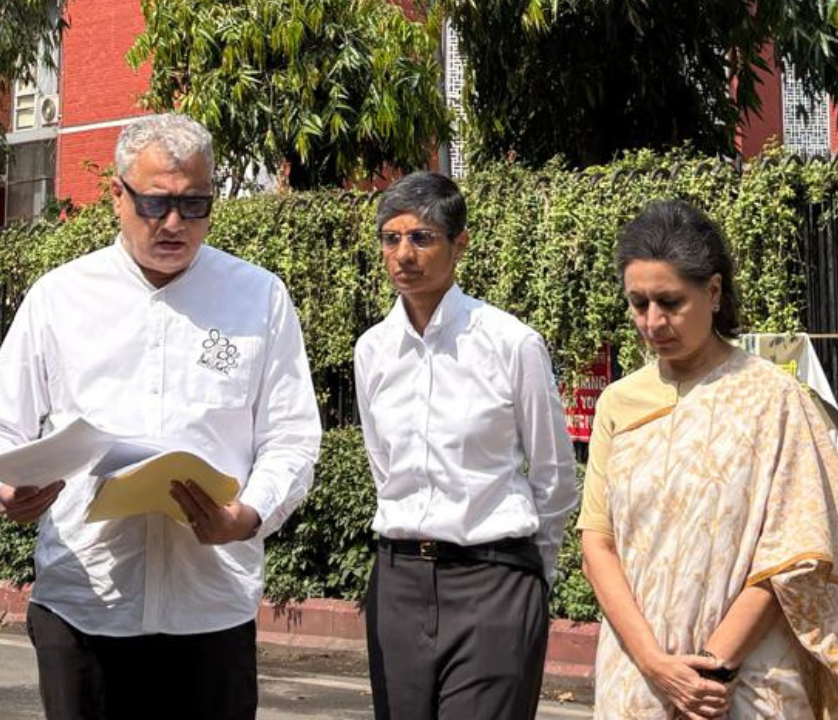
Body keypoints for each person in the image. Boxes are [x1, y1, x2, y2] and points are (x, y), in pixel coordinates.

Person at [0, 113, 322, 720]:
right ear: (117, 196)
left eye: (194, 205)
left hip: (210, 608)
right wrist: (8, 488)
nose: (174, 223)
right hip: (85, 605)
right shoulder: (61, 298)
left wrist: (249, 515)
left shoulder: (258, 297)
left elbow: (290, 436)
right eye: (155, 203)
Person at [579, 199, 838, 719]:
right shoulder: (618, 404)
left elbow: (795, 552)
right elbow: (597, 543)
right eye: (638, 303)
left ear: (714, 292)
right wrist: (656, 665)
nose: (653, 322)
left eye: (670, 302)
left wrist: (712, 668)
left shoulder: (774, 398)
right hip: (638, 677)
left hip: (746, 681)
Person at [354, 172, 578, 719]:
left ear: (460, 245)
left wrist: (531, 577)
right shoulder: (372, 351)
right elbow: (385, 468)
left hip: (494, 582)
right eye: (391, 238)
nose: (403, 254)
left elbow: (554, 474)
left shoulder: (511, 343)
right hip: (398, 583)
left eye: (421, 237)